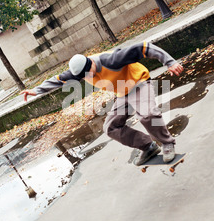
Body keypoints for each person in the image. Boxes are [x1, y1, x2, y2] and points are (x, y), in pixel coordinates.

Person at [21, 42, 184, 166]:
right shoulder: (79, 73)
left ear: (90, 63)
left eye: (88, 73)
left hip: (139, 82)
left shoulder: (111, 60)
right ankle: (147, 146)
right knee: (110, 128)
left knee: (147, 114)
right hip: (122, 92)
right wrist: (36, 91)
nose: (86, 77)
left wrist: (169, 62)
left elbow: (144, 47)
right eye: (82, 77)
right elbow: (58, 80)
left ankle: (167, 143)